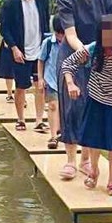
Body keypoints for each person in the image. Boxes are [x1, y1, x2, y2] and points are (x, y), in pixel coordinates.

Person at [60, 14, 112, 196]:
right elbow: (68, 64)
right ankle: (94, 171)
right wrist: (71, 83)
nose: (110, 46)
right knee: (94, 141)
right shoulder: (93, 50)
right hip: (96, 101)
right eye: (107, 39)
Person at [56, 0, 112, 180]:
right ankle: (70, 160)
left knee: (95, 107)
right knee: (72, 107)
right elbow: (70, 34)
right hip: (73, 55)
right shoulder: (66, 0)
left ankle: (86, 159)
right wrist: (84, 51)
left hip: (100, 57)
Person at [0, 0, 50, 131]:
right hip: (20, 51)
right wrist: (14, 48)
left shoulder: (42, 2)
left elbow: (45, 26)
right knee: (21, 86)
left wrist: (47, 49)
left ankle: (39, 120)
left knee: (40, 86)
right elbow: (4, 29)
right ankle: (21, 119)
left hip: (39, 51)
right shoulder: (11, 3)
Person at [38, 16, 65, 149]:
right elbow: (41, 60)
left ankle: (60, 130)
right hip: (51, 79)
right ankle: (53, 136)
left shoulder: (71, 43)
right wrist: (40, 78)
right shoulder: (48, 43)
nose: (61, 36)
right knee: (53, 105)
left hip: (66, 81)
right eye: (59, 33)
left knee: (63, 108)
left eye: (63, 33)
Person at [0, 0, 19, 102]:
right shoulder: (7, 4)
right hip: (9, 40)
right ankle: (9, 93)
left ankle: (21, 95)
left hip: (22, 41)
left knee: (21, 70)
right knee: (8, 69)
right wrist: (7, 40)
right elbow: (3, 25)